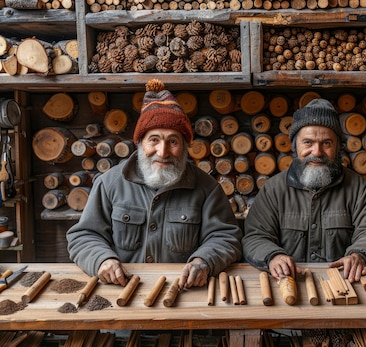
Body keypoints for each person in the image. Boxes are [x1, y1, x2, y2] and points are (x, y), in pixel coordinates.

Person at [67, 79, 242, 289]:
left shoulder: (207, 187)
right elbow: (84, 235)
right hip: (122, 291)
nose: (163, 151)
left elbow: (225, 237)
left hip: (182, 292)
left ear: (185, 147)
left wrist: (203, 261)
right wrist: (103, 259)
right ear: (140, 143)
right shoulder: (110, 183)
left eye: (173, 141)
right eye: (154, 140)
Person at [242, 98, 366, 283]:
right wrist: (273, 256)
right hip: (289, 283)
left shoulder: (358, 188)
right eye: (308, 142)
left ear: (338, 147)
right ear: (295, 146)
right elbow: (255, 235)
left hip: (344, 283)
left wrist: (358, 254)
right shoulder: (274, 189)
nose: (317, 152)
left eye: (327, 143)